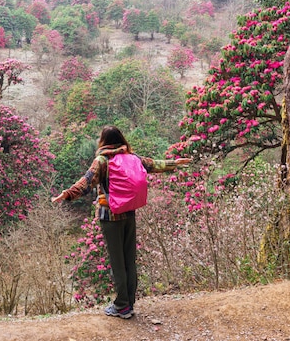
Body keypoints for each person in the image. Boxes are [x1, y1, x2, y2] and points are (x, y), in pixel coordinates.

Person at [52, 125, 190, 319]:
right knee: (129, 259)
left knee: (117, 262)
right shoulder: (133, 158)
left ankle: (122, 306)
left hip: (110, 217)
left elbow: (86, 182)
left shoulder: (102, 161)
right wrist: (175, 163)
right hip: (129, 213)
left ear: (103, 141)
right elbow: (154, 164)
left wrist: (66, 195)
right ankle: (129, 302)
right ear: (121, 139)